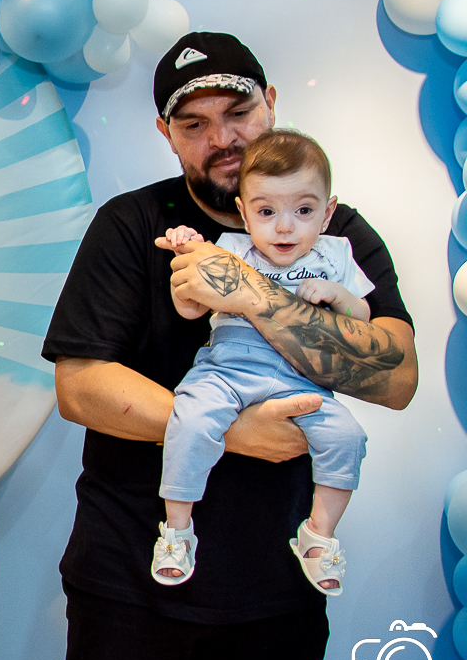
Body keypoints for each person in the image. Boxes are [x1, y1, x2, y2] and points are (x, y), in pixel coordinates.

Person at [42, 32, 417, 660]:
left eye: (238, 112)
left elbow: (397, 378)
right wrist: (231, 433)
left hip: (276, 583)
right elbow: (81, 387)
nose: (222, 138)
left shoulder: (335, 234)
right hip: (129, 571)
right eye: (194, 124)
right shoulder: (134, 224)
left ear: (270, 103)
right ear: (166, 134)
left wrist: (254, 295)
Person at [153, 129, 372, 597]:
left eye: (304, 211)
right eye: (267, 212)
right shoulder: (231, 249)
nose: (285, 228)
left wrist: (338, 296)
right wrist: (186, 258)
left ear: (327, 212)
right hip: (229, 368)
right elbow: (191, 310)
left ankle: (318, 534)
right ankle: (177, 530)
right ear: (244, 211)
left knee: (348, 436)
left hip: (301, 379)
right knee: (190, 419)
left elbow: (364, 319)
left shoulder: (335, 255)